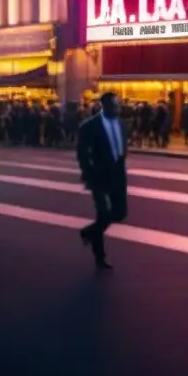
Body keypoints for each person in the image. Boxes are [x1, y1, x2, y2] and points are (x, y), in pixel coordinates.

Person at [76, 92, 129, 270]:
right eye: (115, 106)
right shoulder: (89, 126)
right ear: (104, 106)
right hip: (98, 175)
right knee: (103, 215)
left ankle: (89, 232)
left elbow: (122, 147)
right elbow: (82, 153)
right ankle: (100, 256)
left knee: (121, 213)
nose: (118, 108)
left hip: (118, 173)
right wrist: (88, 173)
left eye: (118, 105)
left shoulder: (121, 124)